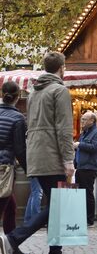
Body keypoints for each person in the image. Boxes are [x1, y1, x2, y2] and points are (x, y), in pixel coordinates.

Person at [2, 52, 75, 254]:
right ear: (62, 68)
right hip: (53, 156)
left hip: (36, 155)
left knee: (56, 204)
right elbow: (64, 129)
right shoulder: (60, 91)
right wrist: (68, 159)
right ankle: (14, 238)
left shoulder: (34, 91)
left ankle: (55, 250)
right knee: (58, 206)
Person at [0, 81, 27, 235]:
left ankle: (12, 244)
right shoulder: (18, 118)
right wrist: (29, 169)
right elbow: (20, 149)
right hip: (4, 169)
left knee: (11, 207)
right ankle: (11, 244)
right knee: (5, 206)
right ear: (17, 97)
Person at [74, 111, 97, 227]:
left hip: (89, 167)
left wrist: (79, 145)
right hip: (81, 167)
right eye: (82, 119)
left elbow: (96, 148)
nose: (82, 121)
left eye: (84, 119)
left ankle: (89, 220)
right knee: (79, 194)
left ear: (92, 121)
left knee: (87, 193)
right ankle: (81, 217)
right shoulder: (84, 133)